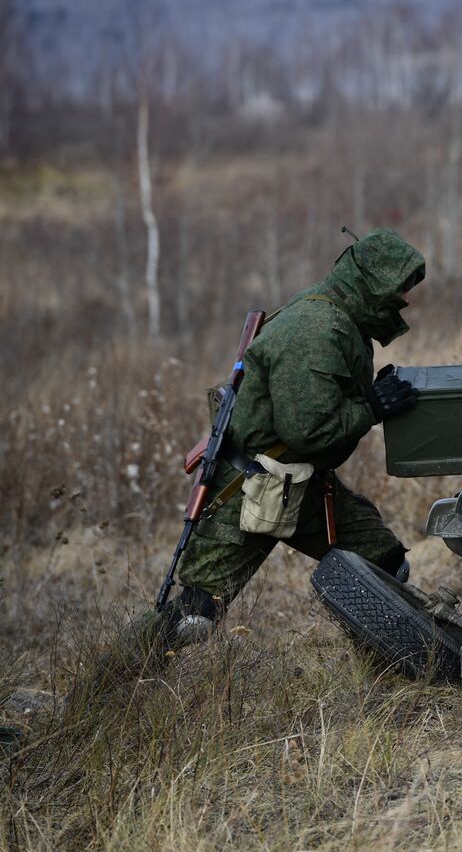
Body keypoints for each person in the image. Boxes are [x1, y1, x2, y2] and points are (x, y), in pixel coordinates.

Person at [151, 227, 426, 648]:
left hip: (298, 481)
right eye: (400, 289)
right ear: (371, 287)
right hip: (250, 487)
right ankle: (105, 688)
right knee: (194, 616)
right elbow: (309, 433)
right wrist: (373, 407)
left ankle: (385, 670)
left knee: (384, 563)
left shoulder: (338, 315)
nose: (406, 300)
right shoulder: (315, 331)